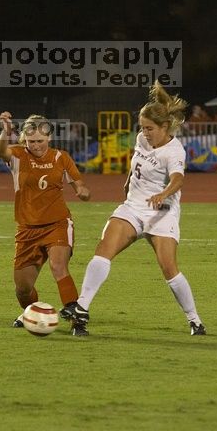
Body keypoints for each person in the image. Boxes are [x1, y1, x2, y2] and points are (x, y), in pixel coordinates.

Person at [60, 82, 206, 336]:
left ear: (164, 127)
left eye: (150, 128)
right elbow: (136, 161)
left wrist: (163, 194)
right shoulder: (141, 139)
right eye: (142, 127)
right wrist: (128, 180)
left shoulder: (174, 151)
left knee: (169, 268)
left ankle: (195, 320)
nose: (144, 132)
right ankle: (81, 309)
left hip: (162, 213)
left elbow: (178, 179)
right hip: (133, 207)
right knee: (103, 250)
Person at [0, 111, 91, 335]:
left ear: (49, 138)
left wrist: (82, 191)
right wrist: (6, 132)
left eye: (40, 141)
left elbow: (79, 184)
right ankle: (31, 312)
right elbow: (0, 151)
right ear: (24, 140)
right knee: (23, 288)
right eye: (31, 141)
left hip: (57, 223)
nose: (36, 146)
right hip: (27, 229)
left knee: (58, 266)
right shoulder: (18, 155)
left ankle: (78, 321)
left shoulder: (61, 157)